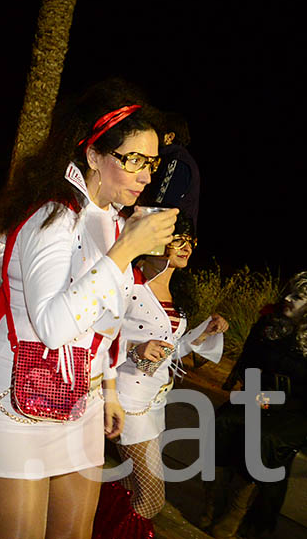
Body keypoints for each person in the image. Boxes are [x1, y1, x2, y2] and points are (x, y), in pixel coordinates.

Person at [0, 79, 178, 538]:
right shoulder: (52, 215)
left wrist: (109, 391)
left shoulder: (112, 222)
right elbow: (53, 325)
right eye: (134, 160)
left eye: (152, 162)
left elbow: (103, 324)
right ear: (93, 156)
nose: (147, 176)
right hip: (19, 395)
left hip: (79, 398)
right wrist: (125, 253)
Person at [92, 216, 227, 538]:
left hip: (154, 401)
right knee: (152, 498)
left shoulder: (170, 289)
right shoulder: (129, 283)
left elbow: (169, 352)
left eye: (190, 242)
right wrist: (136, 348)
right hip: (127, 399)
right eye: (178, 239)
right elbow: (95, 336)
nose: (187, 248)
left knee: (129, 485)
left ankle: (89, 528)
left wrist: (203, 332)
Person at [205, 272, 307, 538]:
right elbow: (250, 364)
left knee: (264, 438)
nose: (286, 298)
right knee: (225, 420)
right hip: (261, 395)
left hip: (297, 411)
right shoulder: (268, 324)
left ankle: (236, 512)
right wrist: (257, 396)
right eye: (288, 291)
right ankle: (215, 500)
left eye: (297, 296)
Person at [141, 111, 200, 232]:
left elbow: (160, 206)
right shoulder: (173, 159)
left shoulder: (177, 161)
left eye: (156, 133)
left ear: (169, 137)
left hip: (167, 240)